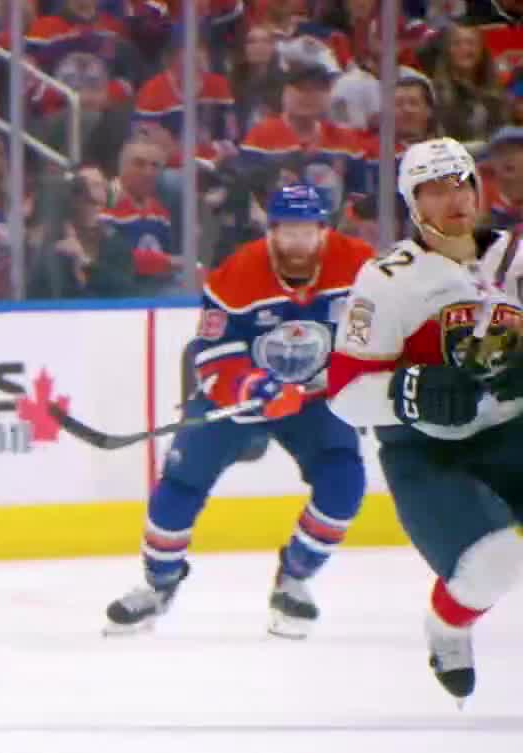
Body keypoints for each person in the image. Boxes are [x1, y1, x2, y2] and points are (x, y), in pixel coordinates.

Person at [105, 184, 376, 638]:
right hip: (242, 394)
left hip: (313, 401)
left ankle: (294, 578)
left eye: (306, 232)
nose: (297, 243)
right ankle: (158, 584)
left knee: (344, 482)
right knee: (179, 486)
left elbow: (380, 329)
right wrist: (253, 384)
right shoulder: (236, 273)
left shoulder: (361, 265)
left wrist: (354, 375)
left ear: (324, 231)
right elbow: (210, 353)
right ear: (270, 231)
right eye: (287, 232)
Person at [328, 137, 523, 701]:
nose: (452, 200)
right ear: (413, 205)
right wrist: (409, 392)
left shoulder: (514, 258)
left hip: (511, 431)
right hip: (428, 450)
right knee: (492, 564)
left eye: (460, 183)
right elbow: (345, 392)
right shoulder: (387, 281)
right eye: (433, 190)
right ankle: (447, 628)